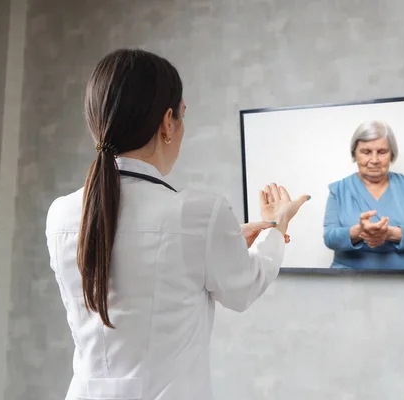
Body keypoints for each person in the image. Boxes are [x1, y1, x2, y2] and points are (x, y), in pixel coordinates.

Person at [44, 49, 309, 400]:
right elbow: (244, 288)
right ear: (168, 122)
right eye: (183, 116)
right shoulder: (198, 212)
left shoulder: (60, 214)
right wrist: (276, 227)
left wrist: (222, 242)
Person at [323, 120, 404, 270]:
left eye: (382, 152)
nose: (374, 160)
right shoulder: (338, 190)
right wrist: (358, 232)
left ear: (392, 154)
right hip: (350, 278)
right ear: (354, 154)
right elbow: (330, 238)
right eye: (366, 152)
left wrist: (392, 233)